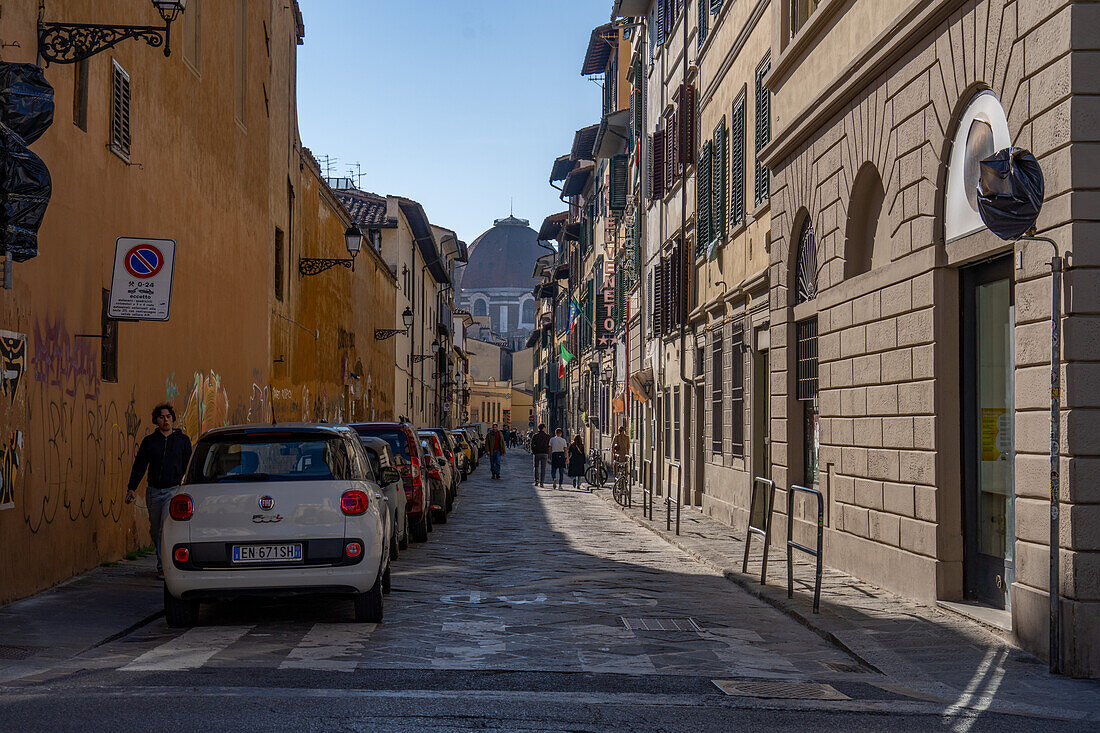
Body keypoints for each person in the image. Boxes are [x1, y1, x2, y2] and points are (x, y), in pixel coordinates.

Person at [127, 403, 192, 579]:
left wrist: (185, 484)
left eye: (168, 416)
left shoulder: (182, 441)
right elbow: (140, 465)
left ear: (173, 418)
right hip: (154, 491)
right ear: (156, 420)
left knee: (165, 528)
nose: (165, 420)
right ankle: (160, 562)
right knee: (155, 530)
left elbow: (188, 463)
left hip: (173, 490)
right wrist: (131, 488)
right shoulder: (149, 442)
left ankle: (164, 566)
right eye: (162, 417)